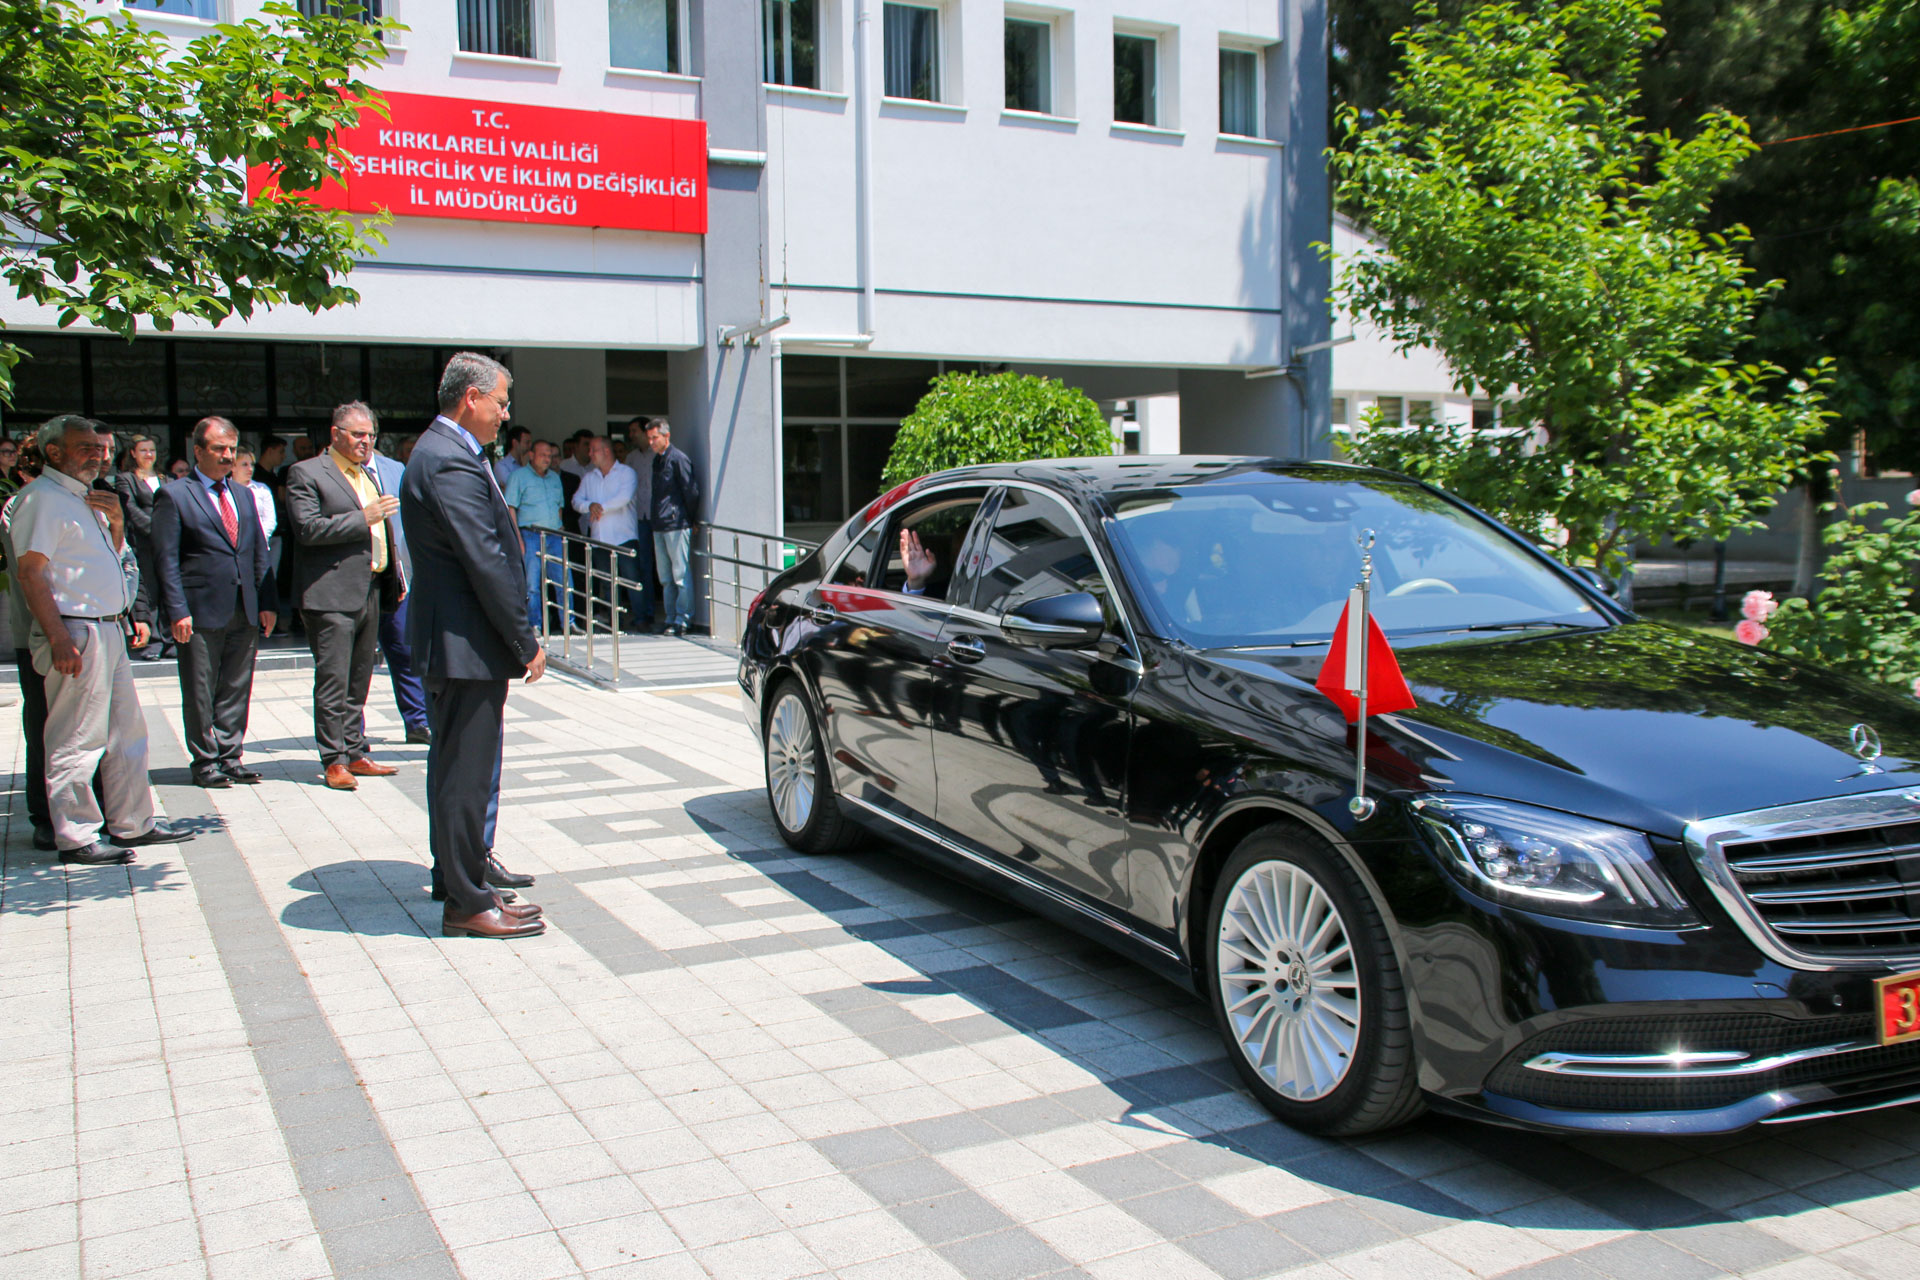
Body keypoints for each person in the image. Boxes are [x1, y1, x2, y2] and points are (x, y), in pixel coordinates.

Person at [401, 351, 546, 939]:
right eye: (500, 402)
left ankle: (460, 877)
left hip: (457, 644)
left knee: (458, 771)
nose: (505, 414)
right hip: (465, 645)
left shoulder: (446, 452)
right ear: (471, 398)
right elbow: (484, 558)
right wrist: (524, 638)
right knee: (464, 774)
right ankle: (465, 901)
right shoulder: (447, 461)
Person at [10, 415, 189, 863]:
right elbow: (30, 573)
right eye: (86, 447)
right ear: (54, 452)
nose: (100, 454)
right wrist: (58, 638)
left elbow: (106, 562)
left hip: (107, 625)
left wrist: (116, 525)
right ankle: (76, 835)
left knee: (126, 733)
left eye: (102, 447)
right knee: (76, 737)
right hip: (76, 627)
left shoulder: (84, 497)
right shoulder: (42, 499)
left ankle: (133, 824)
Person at [151, 417, 279, 789]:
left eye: (231, 450)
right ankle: (205, 760)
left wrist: (267, 601)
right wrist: (177, 610)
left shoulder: (243, 494)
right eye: (219, 449)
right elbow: (165, 559)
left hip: (244, 605)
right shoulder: (174, 495)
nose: (227, 456)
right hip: (199, 609)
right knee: (200, 687)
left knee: (237, 684)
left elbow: (257, 550)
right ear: (198, 451)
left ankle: (230, 754)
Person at [287, 402, 403, 791]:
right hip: (330, 595)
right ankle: (333, 759)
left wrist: (394, 574)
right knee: (334, 680)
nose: (365, 441)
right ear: (335, 434)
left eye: (370, 435)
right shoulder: (307, 472)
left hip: (370, 588)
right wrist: (364, 518)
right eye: (357, 434)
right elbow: (307, 528)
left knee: (360, 679)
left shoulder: (369, 476)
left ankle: (355, 750)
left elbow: (385, 533)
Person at [369, 439, 430, 744]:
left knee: (405, 651)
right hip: (354, 582)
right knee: (356, 662)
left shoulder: (396, 470)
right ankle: (349, 735)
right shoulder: (325, 472)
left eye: (368, 435)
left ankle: (418, 722)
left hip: (396, 578)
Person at [572, 436, 650, 632]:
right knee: (607, 583)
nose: (590, 454)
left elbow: (623, 498)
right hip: (600, 540)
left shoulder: (627, 473)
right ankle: (615, 622)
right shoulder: (590, 477)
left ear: (606, 451)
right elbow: (576, 501)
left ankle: (641, 619)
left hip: (624, 537)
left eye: (593, 450)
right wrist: (589, 506)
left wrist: (599, 508)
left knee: (631, 580)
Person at [504, 438, 569, 631]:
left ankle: (569, 624)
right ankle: (535, 624)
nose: (547, 459)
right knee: (532, 584)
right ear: (531, 455)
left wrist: (560, 530)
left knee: (563, 580)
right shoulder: (518, 476)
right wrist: (518, 539)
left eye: (550, 455)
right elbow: (511, 508)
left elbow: (560, 507)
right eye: (543, 455)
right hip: (530, 535)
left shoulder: (555, 478)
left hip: (555, 535)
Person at [647, 418, 700, 636]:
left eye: (654, 437)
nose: (651, 442)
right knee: (665, 578)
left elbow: (692, 491)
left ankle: (683, 619)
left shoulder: (678, 459)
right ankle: (670, 618)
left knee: (680, 574)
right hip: (659, 524)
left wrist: (691, 519)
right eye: (649, 438)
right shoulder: (657, 461)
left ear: (666, 436)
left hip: (677, 524)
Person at [114, 436, 164, 659]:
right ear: (133, 453)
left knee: (168, 591)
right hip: (143, 543)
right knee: (149, 592)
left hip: (167, 544)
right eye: (143, 450)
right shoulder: (126, 479)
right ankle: (153, 642)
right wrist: (156, 532)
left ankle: (170, 641)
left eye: (152, 450)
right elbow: (130, 508)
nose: (149, 455)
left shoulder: (166, 479)